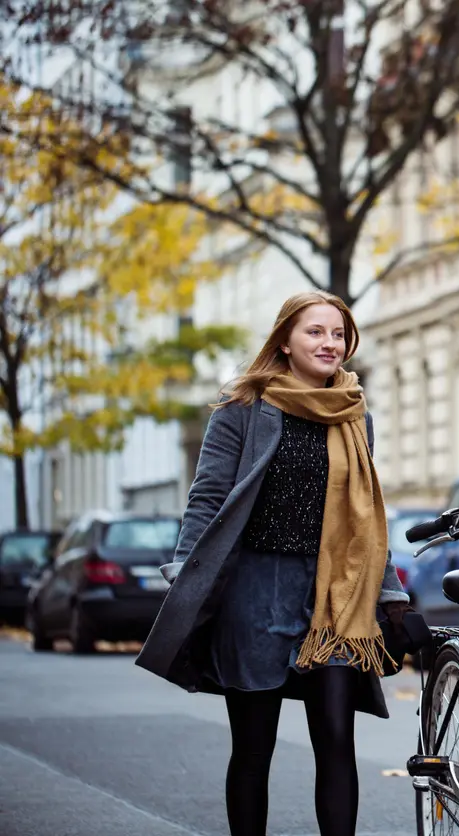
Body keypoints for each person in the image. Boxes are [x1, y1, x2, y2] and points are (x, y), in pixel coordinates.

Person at [135, 290, 412, 836]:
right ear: (284, 341)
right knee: (254, 745)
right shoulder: (243, 409)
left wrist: (392, 595)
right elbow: (208, 496)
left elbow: (366, 517)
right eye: (315, 332)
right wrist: (186, 572)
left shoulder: (355, 415)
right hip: (255, 591)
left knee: (336, 737)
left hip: (333, 596)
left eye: (338, 334)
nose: (329, 343)